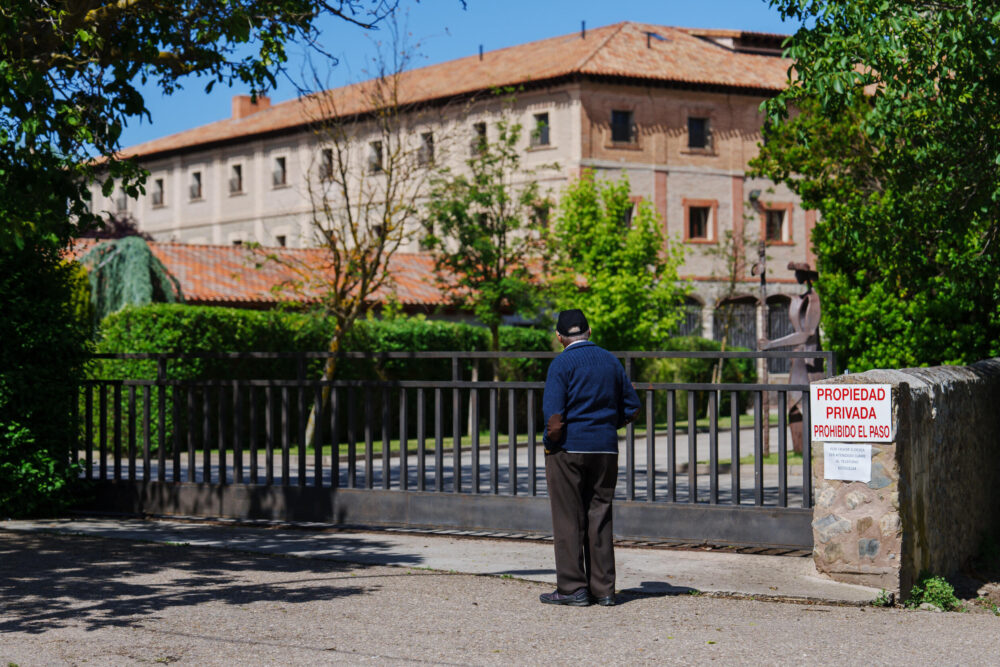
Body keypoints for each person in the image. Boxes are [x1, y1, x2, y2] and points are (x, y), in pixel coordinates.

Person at [539, 309, 640, 607]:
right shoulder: (611, 361)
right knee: (600, 515)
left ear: (559, 338)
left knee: (569, 518)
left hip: (569, 450)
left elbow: (555, 421)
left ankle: (573, 589)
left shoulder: (561, 364)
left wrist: (549, 444)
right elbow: (633, 408)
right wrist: (608, 425)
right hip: (606, 450)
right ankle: (604, 590)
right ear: (589, 331)